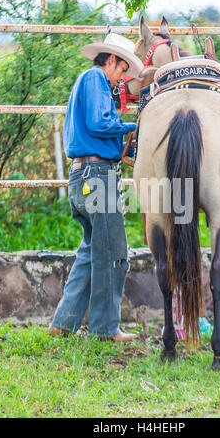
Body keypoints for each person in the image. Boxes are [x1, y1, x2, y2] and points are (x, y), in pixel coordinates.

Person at [49, 33, 144, 342]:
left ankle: (63, 323)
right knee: (115, 253)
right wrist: (134, 126)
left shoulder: (89, 82)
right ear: (110, 60)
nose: (124, 77)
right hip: (97, 175)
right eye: (122, 69)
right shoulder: (95, 79)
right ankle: (105, 329)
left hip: (83, 176)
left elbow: (97, 125)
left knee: (91, 253)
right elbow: (99, 123)